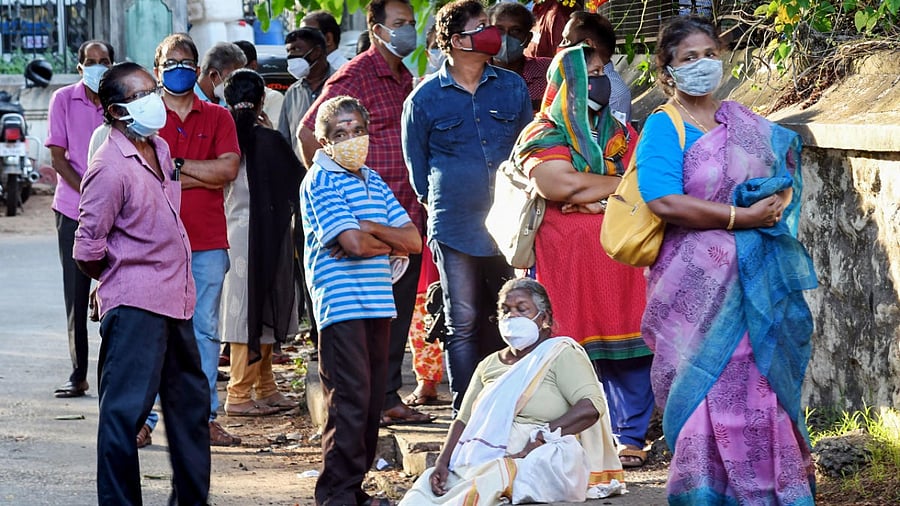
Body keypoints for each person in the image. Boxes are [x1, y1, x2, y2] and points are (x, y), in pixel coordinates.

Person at [638, 16, 817, 503]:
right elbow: (662, 200)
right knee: (704, 382)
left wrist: (775, 201)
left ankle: (773, 492)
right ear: (667, 71)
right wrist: (741, 216)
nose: (701, 65)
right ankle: (705, 494)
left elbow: (783, 167)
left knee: (759, 379)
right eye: (687, 58)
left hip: (754, 280)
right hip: (693, 286)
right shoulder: (663, 125)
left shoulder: (743, 122)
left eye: (708, 55)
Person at [74, 61, 210, 505]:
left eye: (153, 90)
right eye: (141, 95)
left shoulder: (160, 148)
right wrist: (119, 277)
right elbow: (87, 247)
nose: (155, 99)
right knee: (123, 417)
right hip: (136, 306)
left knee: (190, 412)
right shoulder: (109, 167)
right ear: (116, 112)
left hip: (178, 299)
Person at [512, 44, 652, 469]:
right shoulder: (541, 133)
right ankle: (581, 439)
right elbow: (558, 186)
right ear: (567, 80)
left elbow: (644, 178)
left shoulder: (621, 132)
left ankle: (631, 436)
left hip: (622, 259)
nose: (601, 81)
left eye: (602, 71)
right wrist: (613, 185)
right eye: (590, 73)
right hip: (564, 263)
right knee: (571, 349)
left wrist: (592, 191)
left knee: (631, 345)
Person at [298, 0, 433, 427]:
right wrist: (334, 188)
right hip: (360, 217)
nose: (407, 31)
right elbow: (309, 130)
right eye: (399, 24)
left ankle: (386, 395)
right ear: (376, 30)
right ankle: (375, 403)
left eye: (411, 24)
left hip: (400, 212)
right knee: (358, 339)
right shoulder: (355, 75)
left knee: (393, 315)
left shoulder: (404, 77)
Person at [402, 0, 532, 413]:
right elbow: (418, 175)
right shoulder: (422, 99)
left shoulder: (511, 87)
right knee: (463, 319)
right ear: (457, 41)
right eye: (481, 27)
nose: (492, 33)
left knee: (512, 315)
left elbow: (528, 151)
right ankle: (466, 411)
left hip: (510, 224)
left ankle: (510, 405)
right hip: (453, 224)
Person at [400, 278, 624, 504]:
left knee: (488, 481)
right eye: (505, 310)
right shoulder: (488, 364)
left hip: (544, 452)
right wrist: (442, 462)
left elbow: (591, 406)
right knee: (425, 490)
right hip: (483, 455)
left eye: (522, 309)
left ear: (544, 318)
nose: (511, 316)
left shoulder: (559, 353)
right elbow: (464, 419)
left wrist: (542, 436)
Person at [300, 95, 422, 506]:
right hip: (342, 305)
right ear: (323, 142)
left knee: (369, 404)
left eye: (357, 130)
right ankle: (336, 495)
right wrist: (378, 238)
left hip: (376, 303)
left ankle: (354, 489)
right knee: (349, 403)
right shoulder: (320, 179)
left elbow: (413, 240)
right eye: (339, 133)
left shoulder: (372, 179)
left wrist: (370, 227)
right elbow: (351, 244)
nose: (351, 139)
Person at [153, 33, 242, 446]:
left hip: (207, 243)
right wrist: (194, 175)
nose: (179, 69)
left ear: (198, 68)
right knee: (154, 333)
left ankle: (202, 417)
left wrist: (176, 167)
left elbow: (227, 172)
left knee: (204, 332)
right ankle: (147, 420)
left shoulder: (218, 117)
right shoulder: (146, 118)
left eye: (186, 61)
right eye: (171, 62)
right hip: (153, 244)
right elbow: (147, 180)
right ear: (157, 70)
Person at [220, 69, 303, 417]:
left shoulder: (223, 139)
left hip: (232, 234)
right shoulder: (269, 140)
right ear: (260, 101)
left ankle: (265, 386)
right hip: (269, 233)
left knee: (245, 310)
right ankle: (240, 393)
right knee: (261, 307)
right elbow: (299, 182)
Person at [46, 39, 114, 398]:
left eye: (103, 61)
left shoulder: (120, 101)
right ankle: (78, 373)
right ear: (79, 67)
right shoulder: (63, 100)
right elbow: (58, 157)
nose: (97, 66)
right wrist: (89, 192)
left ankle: (111, 374)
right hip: (73, 208)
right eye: (91, 61)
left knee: (118, 291)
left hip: (117, 212)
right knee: (76, 292)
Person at [560, 11, 633, 124]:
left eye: (567, 41)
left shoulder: (615, 94)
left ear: (587, 44)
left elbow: (611, 139)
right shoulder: (572, 76)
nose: (561, 46)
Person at [486, 2, 550, 112]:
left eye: (515, 31)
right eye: (499, 30)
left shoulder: (546, 71)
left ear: (528, 38)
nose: (506, 37)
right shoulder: (475, 75)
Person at [234, 40, 285, 129]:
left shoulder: (274, 98)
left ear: (253, 66)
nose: (232, 75)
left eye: (236, 69)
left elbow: (273, 134)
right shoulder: (225, 96)